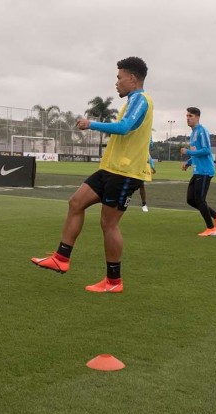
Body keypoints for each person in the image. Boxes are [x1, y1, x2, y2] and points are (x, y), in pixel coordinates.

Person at [31, 56, 153, 293]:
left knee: (109, 224)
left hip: (125, 172)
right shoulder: (132, 100)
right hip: (110, 169)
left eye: (119, 78)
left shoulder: (141, 99)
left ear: (133, 78)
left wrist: (91, 124)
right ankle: (61, 258)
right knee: (76, 202)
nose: (116, 82)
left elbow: (125, 127)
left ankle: (114, 282)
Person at [180, 107, 216, 236]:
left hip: (205, 170)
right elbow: (196, 152)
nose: (188, 118)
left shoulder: (202, 131)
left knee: (200, 199)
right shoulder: (193, 133)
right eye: (187, 116)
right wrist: (188, 163)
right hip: (197, 170)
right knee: (191, 199)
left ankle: (211, 229)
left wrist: (188, 152)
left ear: (198, 117)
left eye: (191, 116)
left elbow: (206, 150)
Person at [138, 142, 156, 212]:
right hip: (132, 163)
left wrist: (152, 166)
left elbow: (148, 154)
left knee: (141, 185)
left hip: (141, 165)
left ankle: (144, 204)